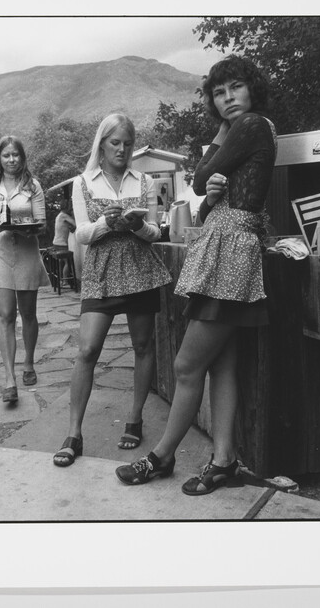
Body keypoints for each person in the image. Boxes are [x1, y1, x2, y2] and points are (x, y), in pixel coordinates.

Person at [116, 55, 278, 494]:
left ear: (252, 89)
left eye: (236, 88)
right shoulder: (249, 131)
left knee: (187, 365)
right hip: (225, 251)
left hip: (229, 256)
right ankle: (224, 460)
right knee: (221, 365)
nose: (228, 99)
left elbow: (203, 174)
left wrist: (217, 151)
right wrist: (212, 189)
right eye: (219, 94)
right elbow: (208, 201)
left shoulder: (251, 126)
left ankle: (161, 456)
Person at [53, 113, 172, 467]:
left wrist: (137, 227)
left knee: (142, 345)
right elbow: (83, 234)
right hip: (102, 271)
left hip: (139, 268)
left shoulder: (145, 181)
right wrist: (107, 222)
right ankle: (74, 433)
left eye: (127, 144)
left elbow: (155, 232)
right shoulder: (83, 182)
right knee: (87, 349)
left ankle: (134, 418)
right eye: (114, 143)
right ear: (101, 145)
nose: (121, 150)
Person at [0, 136, 50, 405]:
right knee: (5, 314)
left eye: (16, 155)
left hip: (27, 251)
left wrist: (28, 226)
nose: (11, 160)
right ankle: (9, 379)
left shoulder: (33, 186)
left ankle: (29, 363)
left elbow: (42, 224)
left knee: (27, 314)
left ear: (22, 157)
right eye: (6, 155)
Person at [49, 196, 77, 290]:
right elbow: (75, 223)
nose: (71, 208)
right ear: (67, 207)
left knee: (61, 261)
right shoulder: (64, 216)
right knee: (68, 262)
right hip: (62, 244)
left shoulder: (60, 216)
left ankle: (61, 280)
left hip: (56, 242)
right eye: (70, 206)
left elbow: (68, 227)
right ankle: (65, 281)